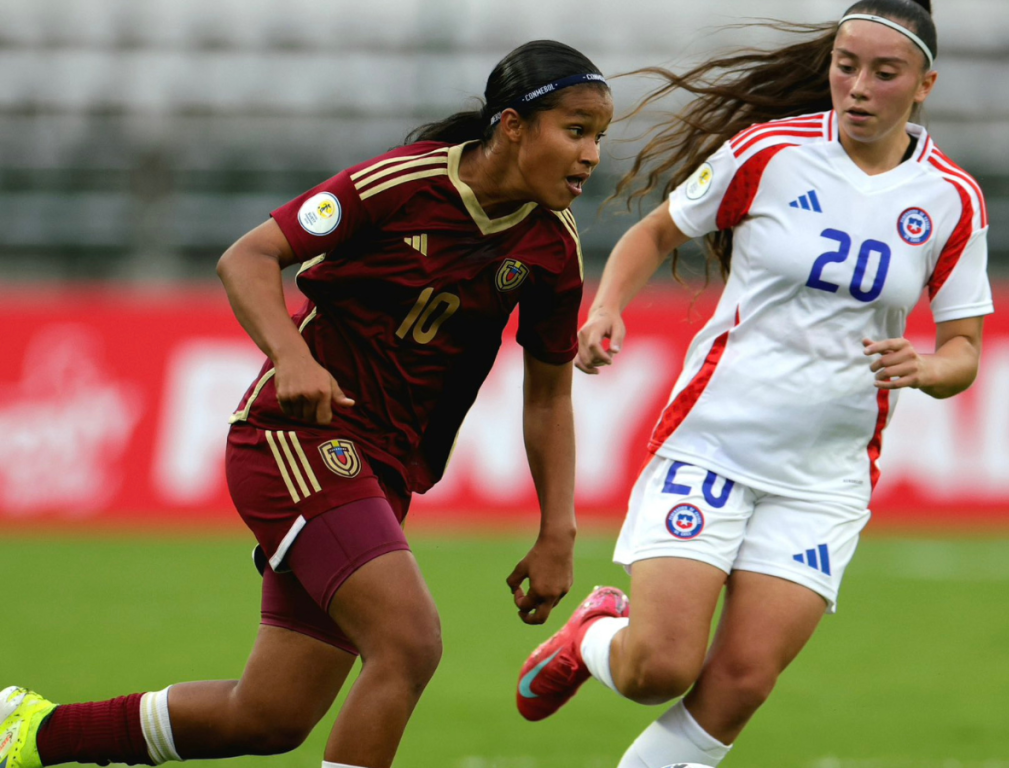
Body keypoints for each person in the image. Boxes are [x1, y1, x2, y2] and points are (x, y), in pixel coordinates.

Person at [1, 40, 613, 768]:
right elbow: (248, 256)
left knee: (268, 716)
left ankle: (32, 733)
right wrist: (292, 358)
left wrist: (558, 531)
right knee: (409, 641)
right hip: (294, 437)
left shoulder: (551, 251)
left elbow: (547, 397)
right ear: (513, 126)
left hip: (381, 471)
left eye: (599, 137)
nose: (592, 156)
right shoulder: (401, 184)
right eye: (576, 131)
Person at [516, 2, 991, 766]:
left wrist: (930, 368)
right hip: (714, 446)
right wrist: (606, 308)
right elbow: (658, 232)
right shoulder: (770, 151)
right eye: (845, 66)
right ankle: (594, 635)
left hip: (824, 479)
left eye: (884, 72)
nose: (858, 87)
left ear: (924, 84)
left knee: (737, 684)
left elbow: (965, 346)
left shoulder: (951, 198)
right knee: (657, 669)